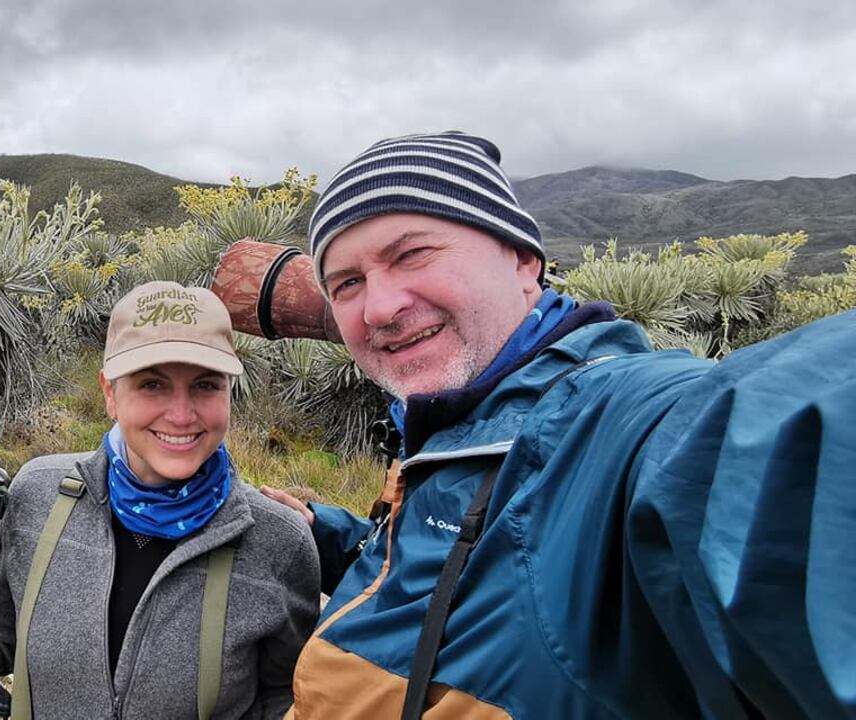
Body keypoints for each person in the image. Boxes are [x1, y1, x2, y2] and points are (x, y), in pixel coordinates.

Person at [257, 132, 855, 718]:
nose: (381, 308)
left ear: (523, 261)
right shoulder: (460, 425)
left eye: (412, 253)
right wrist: (323, 532)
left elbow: (760, 450)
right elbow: (455, 563)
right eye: (348, 283)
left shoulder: (615, 422)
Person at [0, 280, 320, 719]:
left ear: (231, 391)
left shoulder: (279, 542)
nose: (182, 413)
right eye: (152, 384)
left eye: (206, 385)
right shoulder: (42, 494)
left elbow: (286, 700)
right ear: (109, 392)